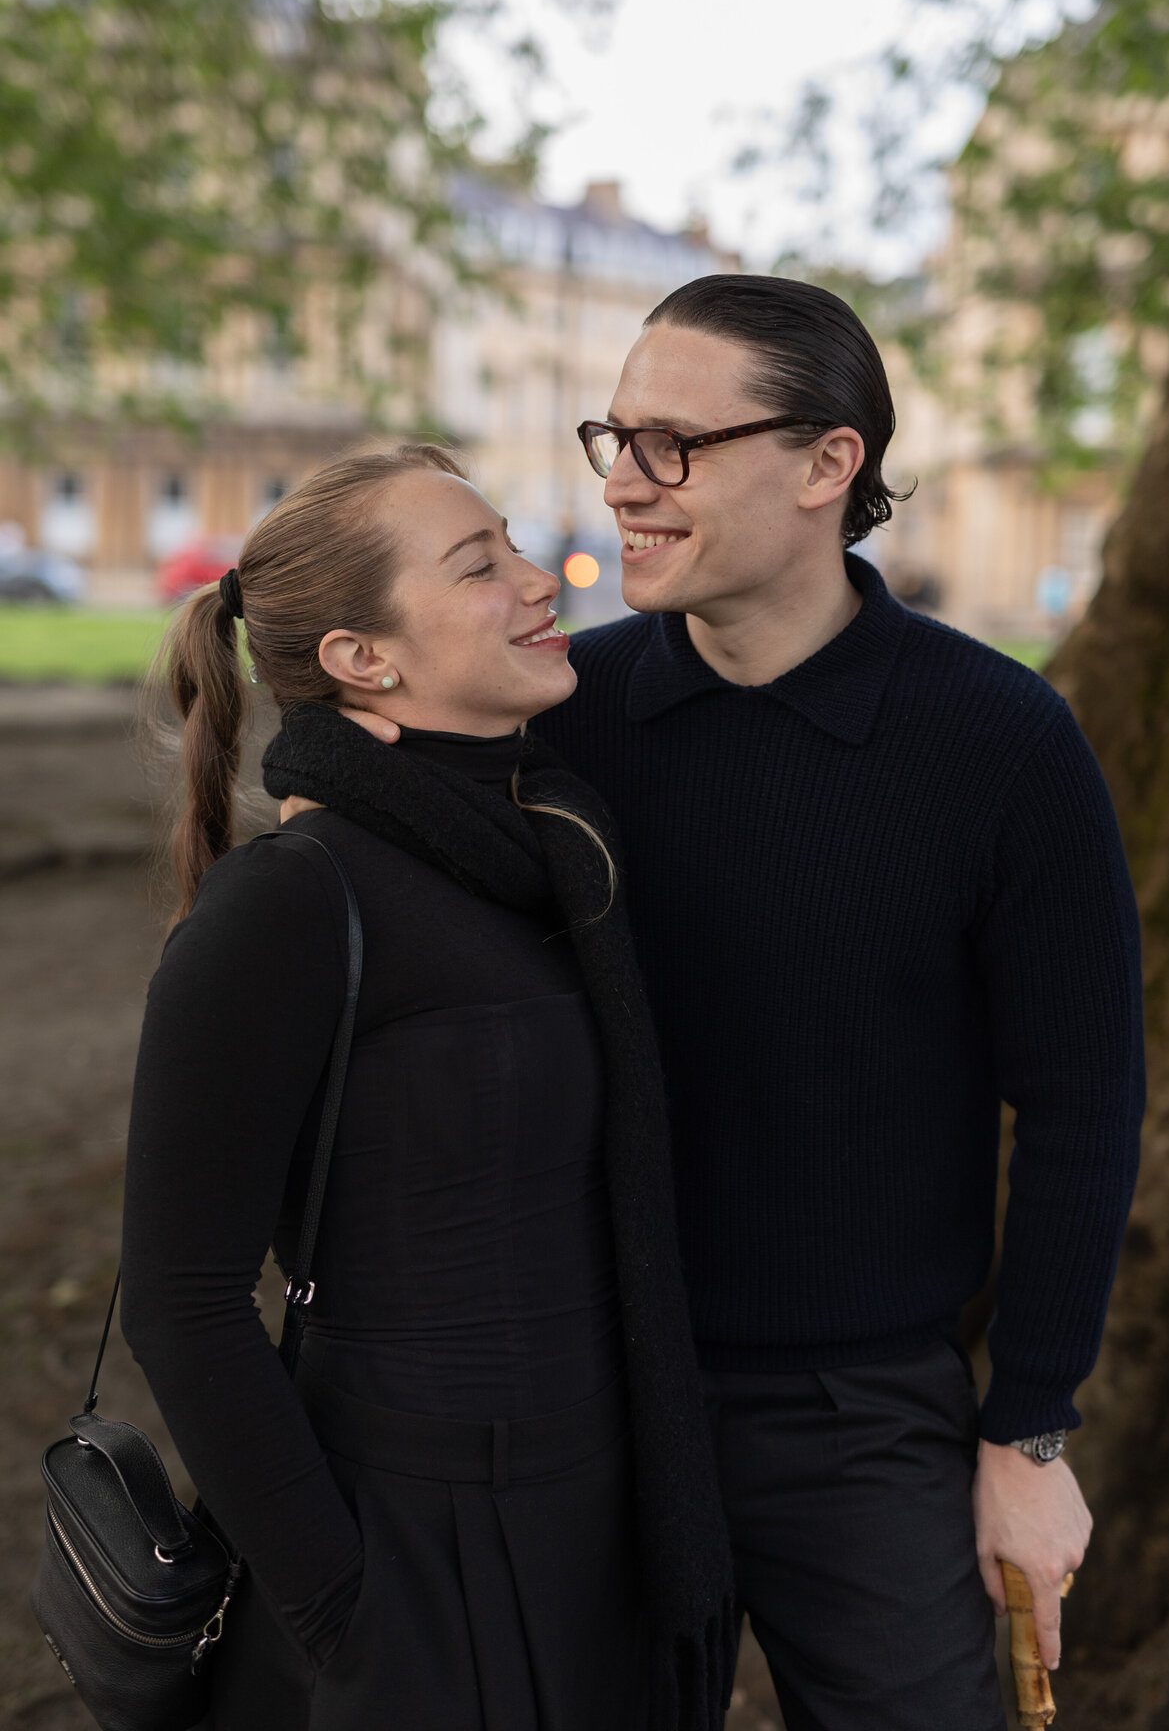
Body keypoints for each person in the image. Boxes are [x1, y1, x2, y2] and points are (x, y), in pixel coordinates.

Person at [347, 276, 1145, 1730]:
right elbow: (350, 839)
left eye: (677, 446)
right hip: (583, 1389)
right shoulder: (551, 716)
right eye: (616, 438)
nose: (627, 488)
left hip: (863, 1418)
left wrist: (1028, 1428)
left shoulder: (1003, 740)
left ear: (829, 462)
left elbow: (1087, 1103)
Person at [118, 444, 735, 1731]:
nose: (537, 579)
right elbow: (181, 1302)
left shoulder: (552, 849)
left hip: (606, 1518)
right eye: (480, 564)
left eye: (514, 543)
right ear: (361, 657)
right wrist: (338, 1606)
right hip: (410, 1549)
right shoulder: (289, 902)